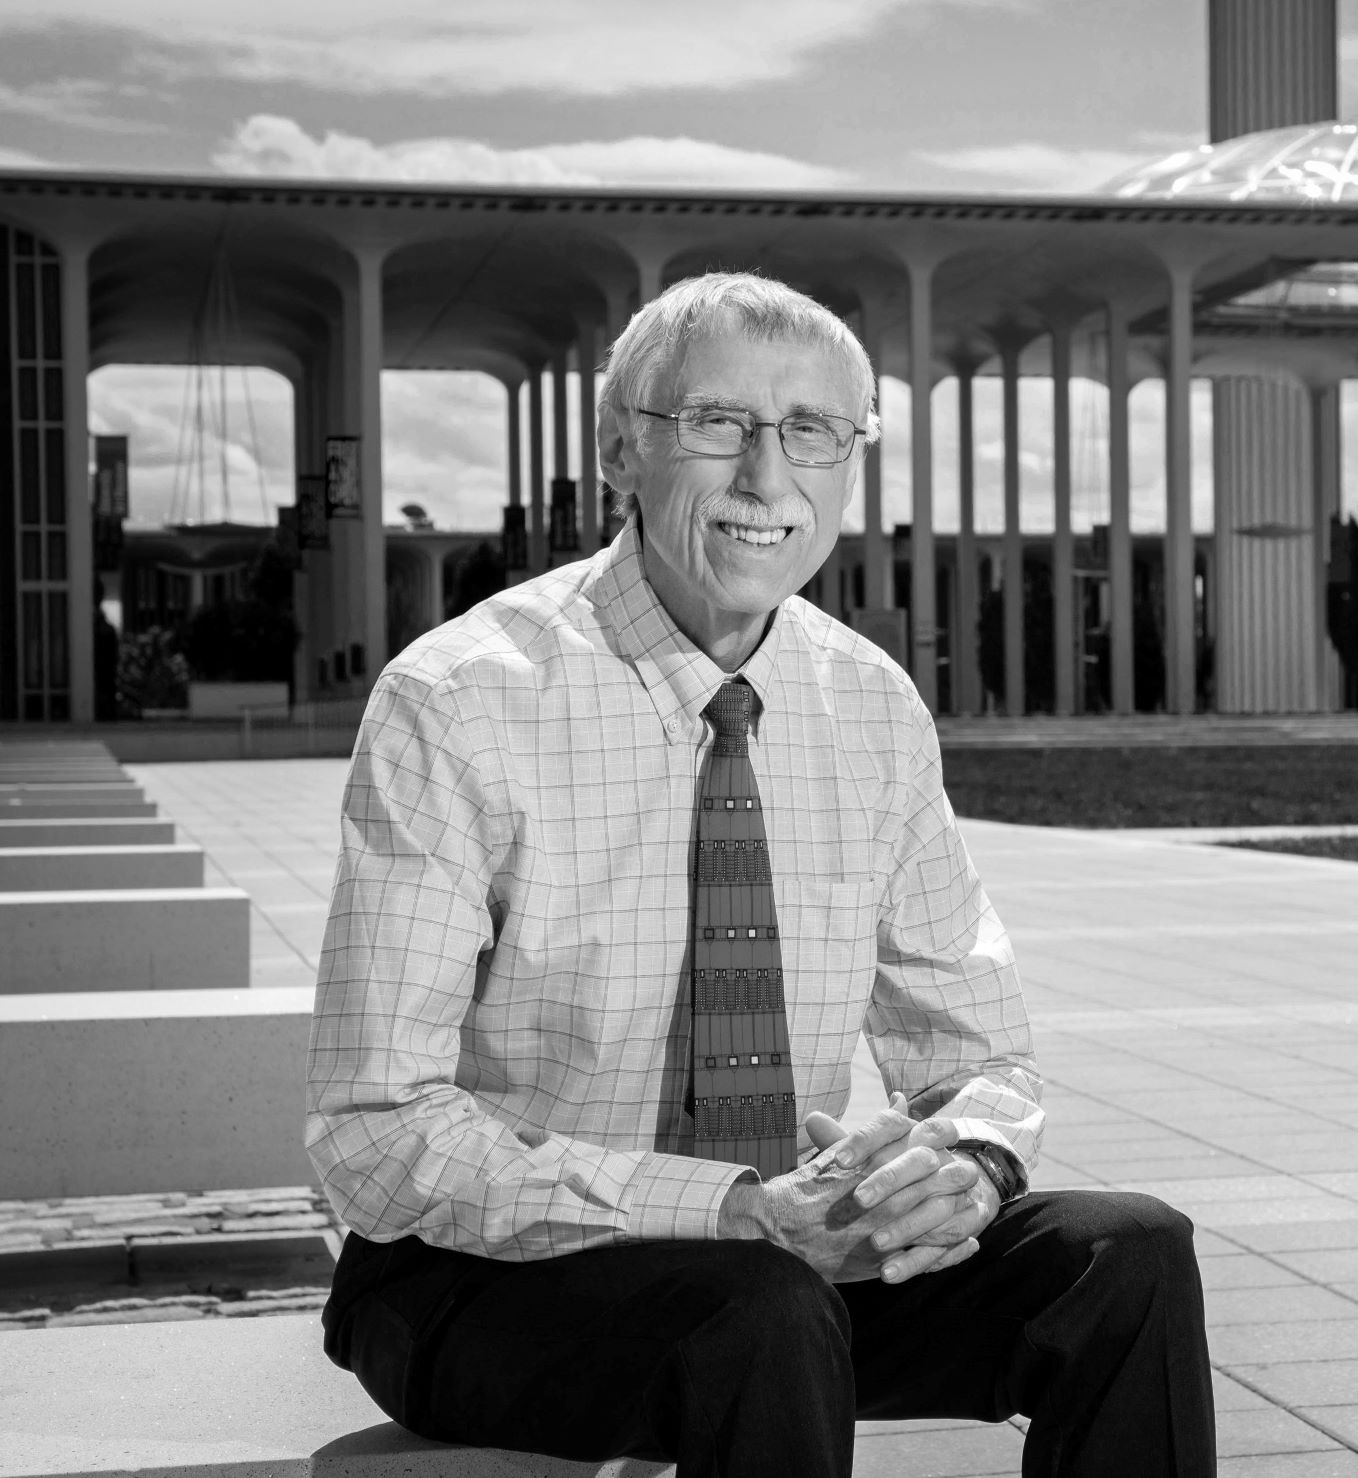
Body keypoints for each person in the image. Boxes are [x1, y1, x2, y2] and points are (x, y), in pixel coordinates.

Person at [307, 271, 1215, 1478]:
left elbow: (980, 1054)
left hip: (788, 1252)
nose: (766, 476)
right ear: (620, 449)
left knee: (1127, 1256)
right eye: (718, 423)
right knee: (758, 1310)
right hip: (484, 1276)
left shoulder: (870, 704)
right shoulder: (460, 701)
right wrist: (727, 1206)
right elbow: (373, 1133)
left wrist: (960, 1164)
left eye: (812, 432)